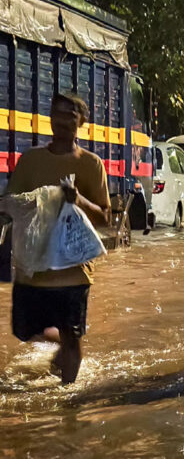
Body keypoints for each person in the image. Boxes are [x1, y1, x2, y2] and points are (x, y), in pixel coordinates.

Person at [7, 93, 111, 384]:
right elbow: (11, 204)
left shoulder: (91, 165)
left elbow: (106, 217)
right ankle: (64, 345)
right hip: (34, 268)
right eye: (57, 113)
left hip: (73, 272)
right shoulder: (30, 161)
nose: (62, 120)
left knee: (71, 335)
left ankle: (69, 404)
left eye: (70, 114)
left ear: (81, 122)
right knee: (24, 330)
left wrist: (79, 201)